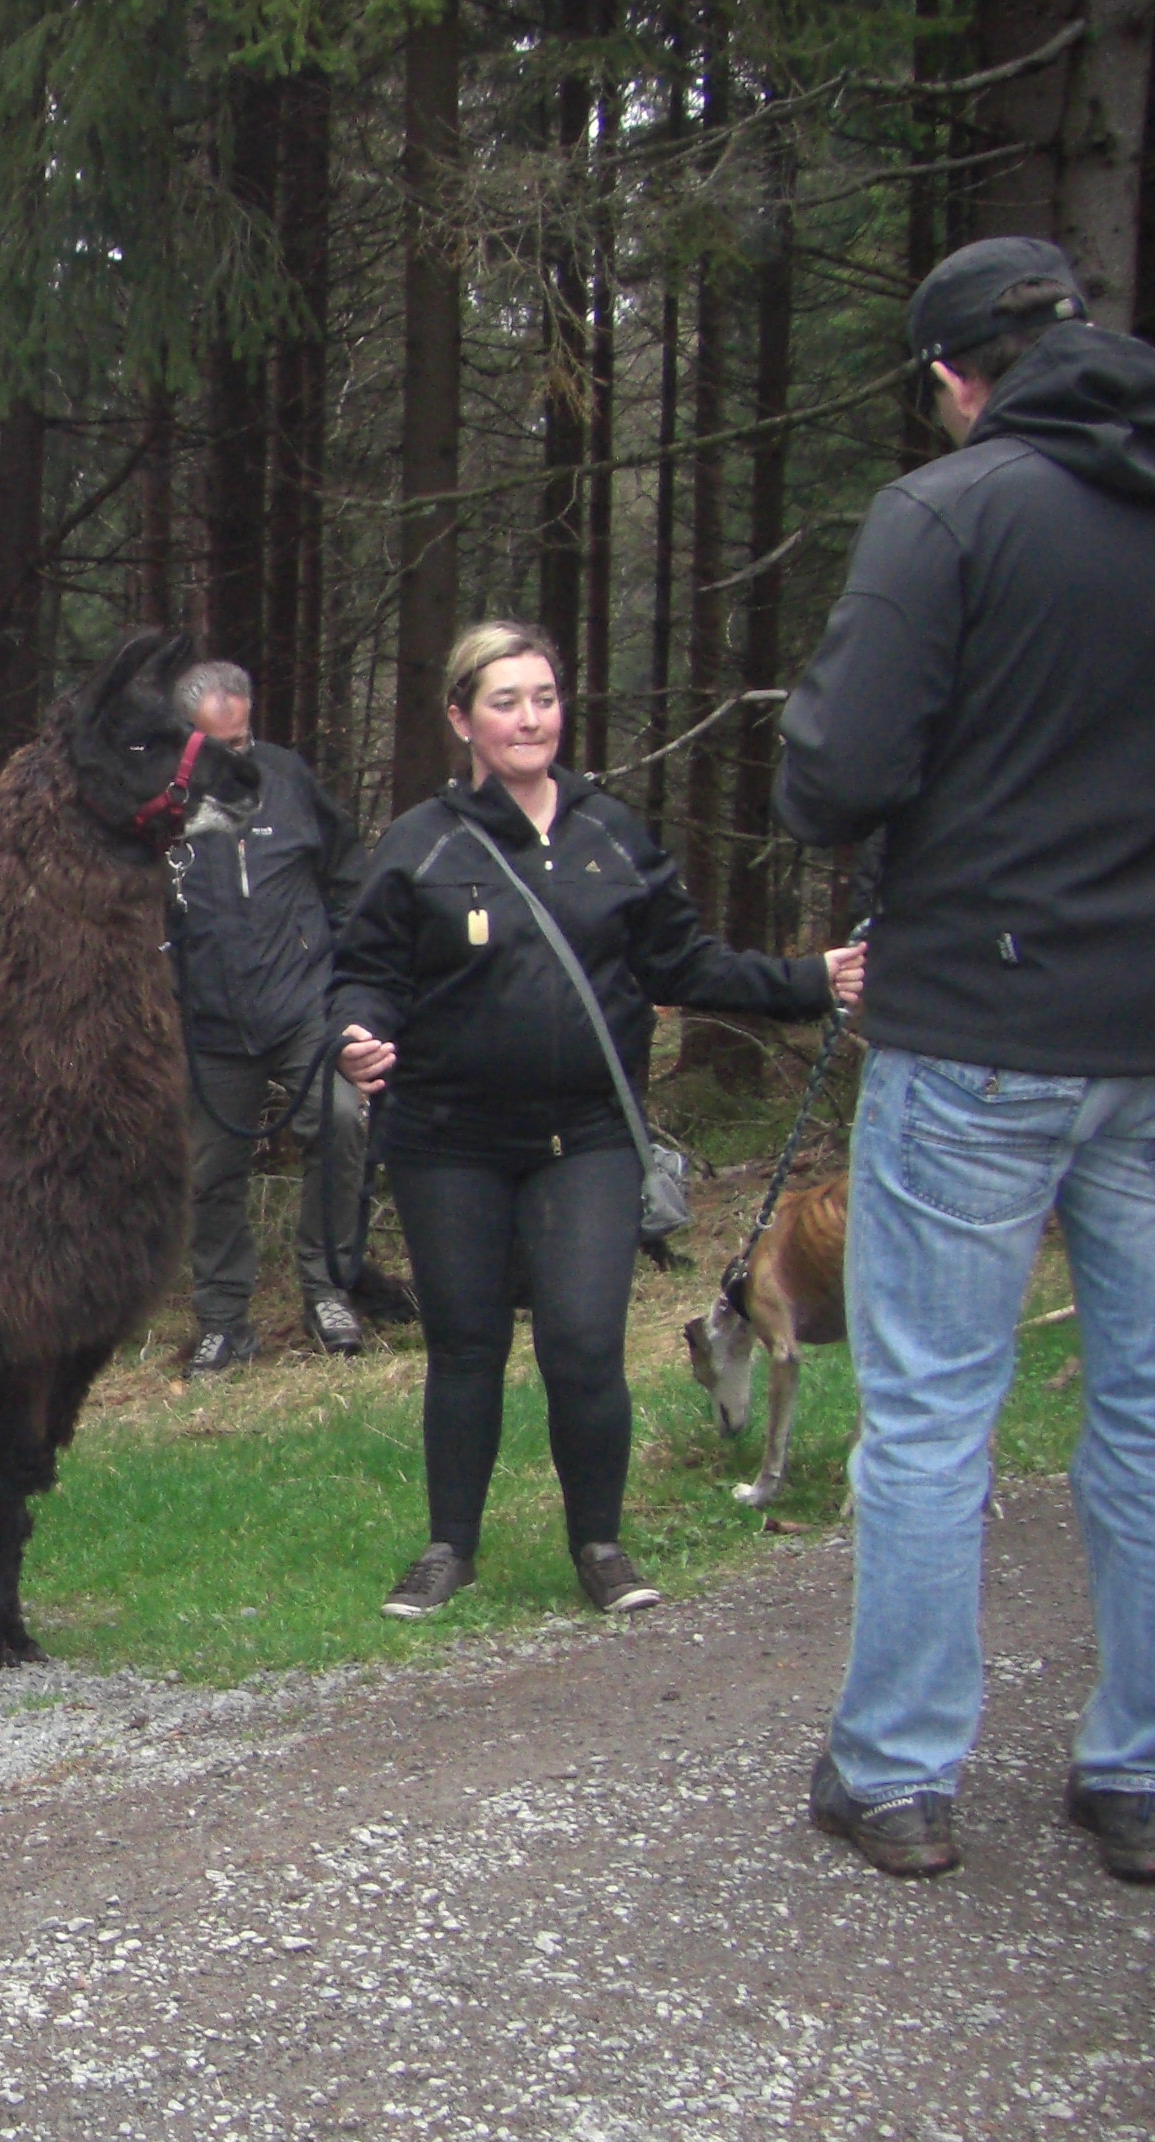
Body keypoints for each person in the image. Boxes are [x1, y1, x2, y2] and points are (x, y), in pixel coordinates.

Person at [773, 237, 1155, 1884]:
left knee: (929, 1404)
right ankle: (1135, 1767)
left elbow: (836, 772)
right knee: (1143, 1408)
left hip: (983, 1022)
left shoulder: (945, 514)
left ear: (950, 376)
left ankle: (900, 1767)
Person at [332, 622, 859, 1623]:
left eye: (544, 696)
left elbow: (684, 963)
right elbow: (365, 973)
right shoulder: (421, 844)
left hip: (589, 1136)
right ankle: (449, 1548)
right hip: (450, 1139)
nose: (530, 718)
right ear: (460, 718)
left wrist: (808, 981)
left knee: (582, 1344)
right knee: (468, 1345)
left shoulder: (611, 831)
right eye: (505, 701)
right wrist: (354, 1035)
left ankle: (600, 1545)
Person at [169, 659, 370, 1376]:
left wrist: (346, 970)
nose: (234, 756)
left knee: (342, 1122)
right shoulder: (164, 802)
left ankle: (329, 1289)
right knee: (208, 1168)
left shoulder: (288, 778)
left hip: (304, 1004)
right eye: (217, 745)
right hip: (211, 1022)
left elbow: (350, 875)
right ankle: (224, 1320)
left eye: (242, 739)